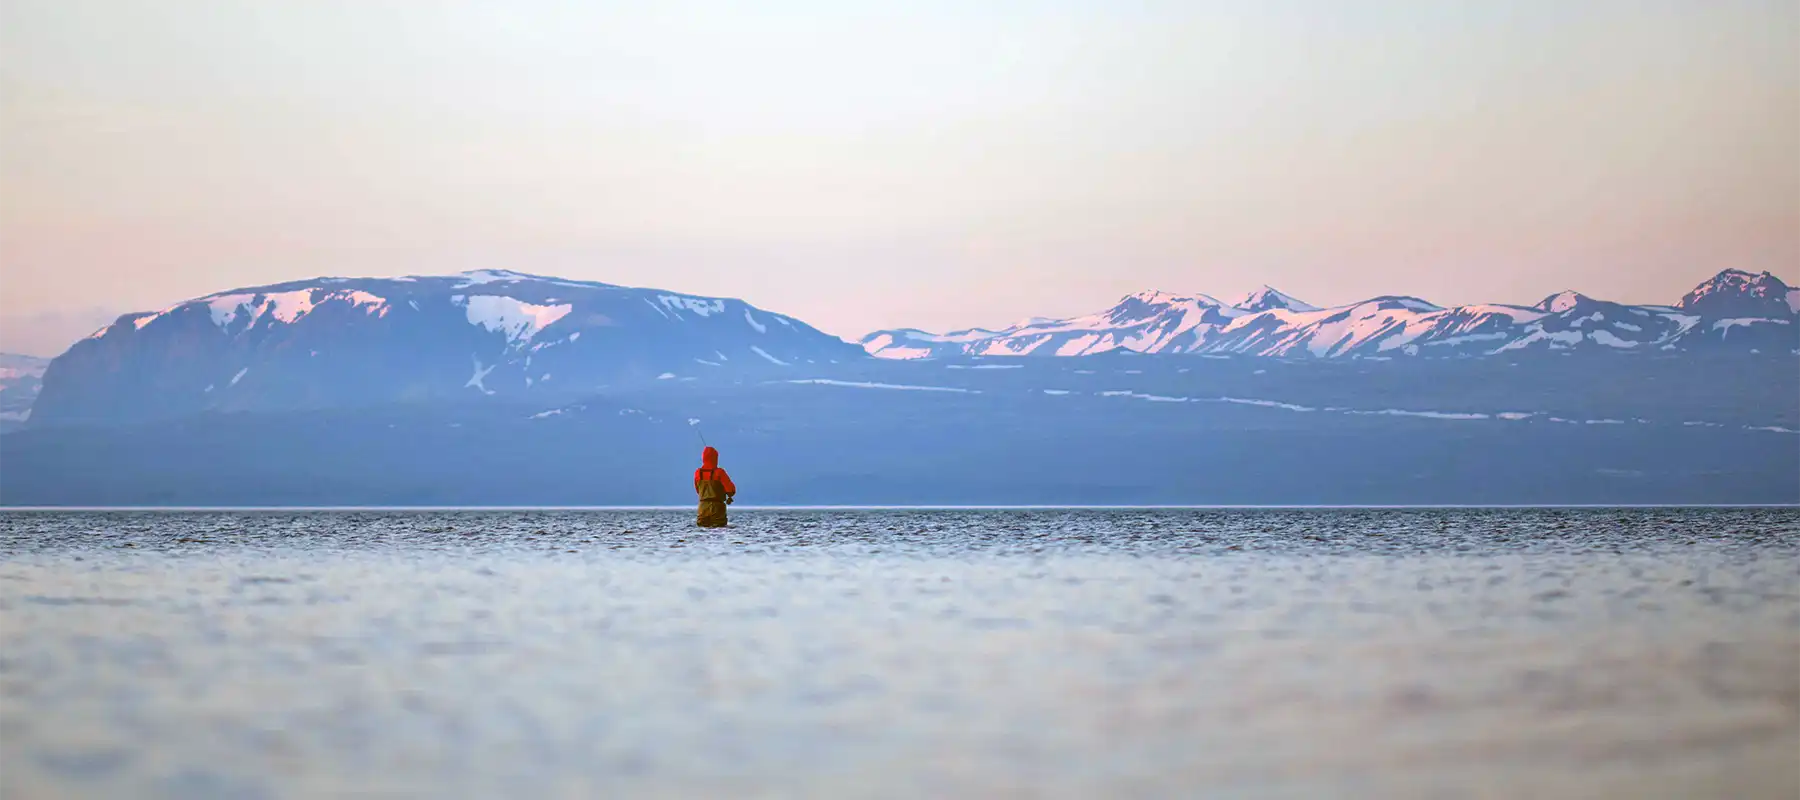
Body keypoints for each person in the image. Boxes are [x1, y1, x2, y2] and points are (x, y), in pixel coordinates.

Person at [694, 446, 736, 528]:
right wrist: (729, 496)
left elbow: (698, 490)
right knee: (719, 528)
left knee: (702, 530)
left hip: (702, 507)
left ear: (703, 458)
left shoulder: (698, 473)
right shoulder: (720, 472)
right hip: (717, 507)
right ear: (715, 458)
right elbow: (731, 490)